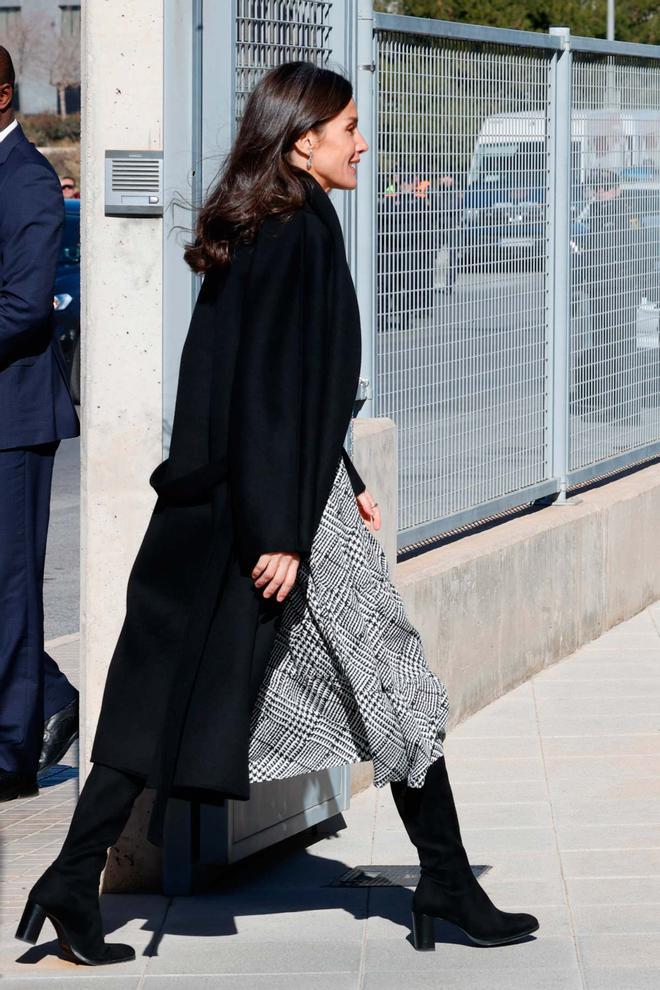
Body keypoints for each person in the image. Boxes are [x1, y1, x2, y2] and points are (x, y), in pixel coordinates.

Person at [16, 62, 538, 966]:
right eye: (347, 130)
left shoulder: (278, 220)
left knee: (175, 684)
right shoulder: (291, 229)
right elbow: (263, 397)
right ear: (302, 141)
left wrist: (340, 470)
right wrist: (282, 533)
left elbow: (286, 387)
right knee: (391, 679)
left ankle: (72, 877)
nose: (362, 144)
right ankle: (446, 878)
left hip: (271, 492)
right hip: (273, 507)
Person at [0, 47, 80, 804]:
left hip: (14, 419)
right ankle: (50, 699)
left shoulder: (26, 179)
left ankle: (11, 755)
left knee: (11, 586)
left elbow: (23, 311)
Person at [577, 169, 643, 422]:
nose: (599, 192)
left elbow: (637, 252)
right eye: (596, 187)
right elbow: (590, 253)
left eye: (604, 187)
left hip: (621, 291)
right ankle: (614, 404)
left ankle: (627, 410)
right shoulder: (596, 213)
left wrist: (641, 288)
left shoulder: (625, 214)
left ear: (616, 189)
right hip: (600, 291)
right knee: (605, 349)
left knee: (622, 350)